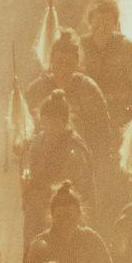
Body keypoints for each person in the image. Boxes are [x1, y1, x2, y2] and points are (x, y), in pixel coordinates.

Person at [25, 29, 113, 170]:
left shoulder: (88, 89)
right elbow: (23, 134)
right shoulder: (36, 91)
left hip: (79, 165)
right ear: (51, 61)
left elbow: (102, 134)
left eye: (69, 64)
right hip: (43, 165)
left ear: (77, 63)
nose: (64, 69)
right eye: (59, 63)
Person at [21, 89, 96, 243]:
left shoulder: (75, 150)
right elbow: (30, 173)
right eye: (45, 122)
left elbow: (79, 188)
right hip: (36, 215)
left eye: (55, 123)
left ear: (64, 122)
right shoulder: (36, 143)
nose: (50, 128)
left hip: (66, 214)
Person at [80, 0, 132, 131]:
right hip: (86, 119)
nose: (102, 26)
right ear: (90, 21)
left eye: (107, 20)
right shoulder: (78, 48)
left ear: (115, 23)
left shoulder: (129, 50)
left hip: (119, 119)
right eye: (98, 20)